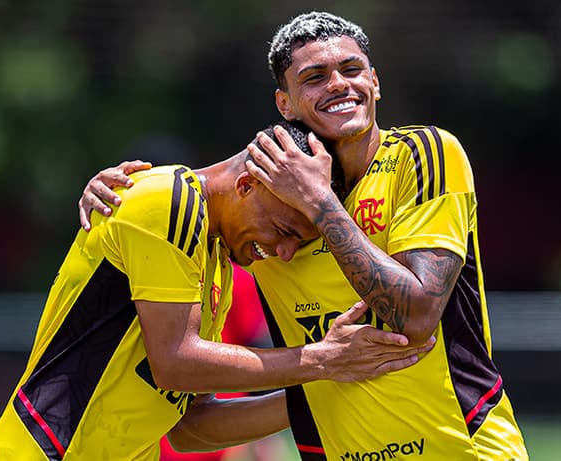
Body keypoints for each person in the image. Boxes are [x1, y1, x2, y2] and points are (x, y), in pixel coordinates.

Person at [80, 11, 528, 461]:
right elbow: (192, 428)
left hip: (464, 451)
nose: (337, 84)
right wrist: (128, 189)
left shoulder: (423, 153)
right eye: (314, 77)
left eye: (352, 70)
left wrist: (320, 202)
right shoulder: (264, 219)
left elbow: (415, 315)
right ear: (285, 104)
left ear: (375, 81)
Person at [0, 120, 431, 461]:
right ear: (248, 183)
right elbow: (176, 363)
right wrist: (321, 359)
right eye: (283, 229)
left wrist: (333, 384)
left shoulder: (215, 265)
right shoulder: (171, 200)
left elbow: (193, 428)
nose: (285, 252)